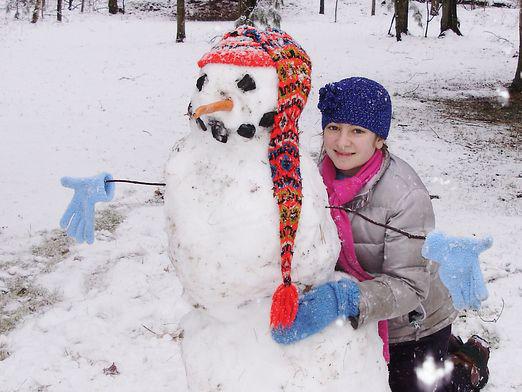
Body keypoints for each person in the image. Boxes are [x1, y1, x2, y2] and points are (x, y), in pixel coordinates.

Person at [272, 77, 491, 391]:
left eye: (357, 131)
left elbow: (410, 286)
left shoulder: (404, 195)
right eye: (333, 128)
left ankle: (469, 363)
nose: (342, 142)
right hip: (363, 310)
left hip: (415, 321)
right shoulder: (315, 178)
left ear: (379, 139)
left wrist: (343, 299)